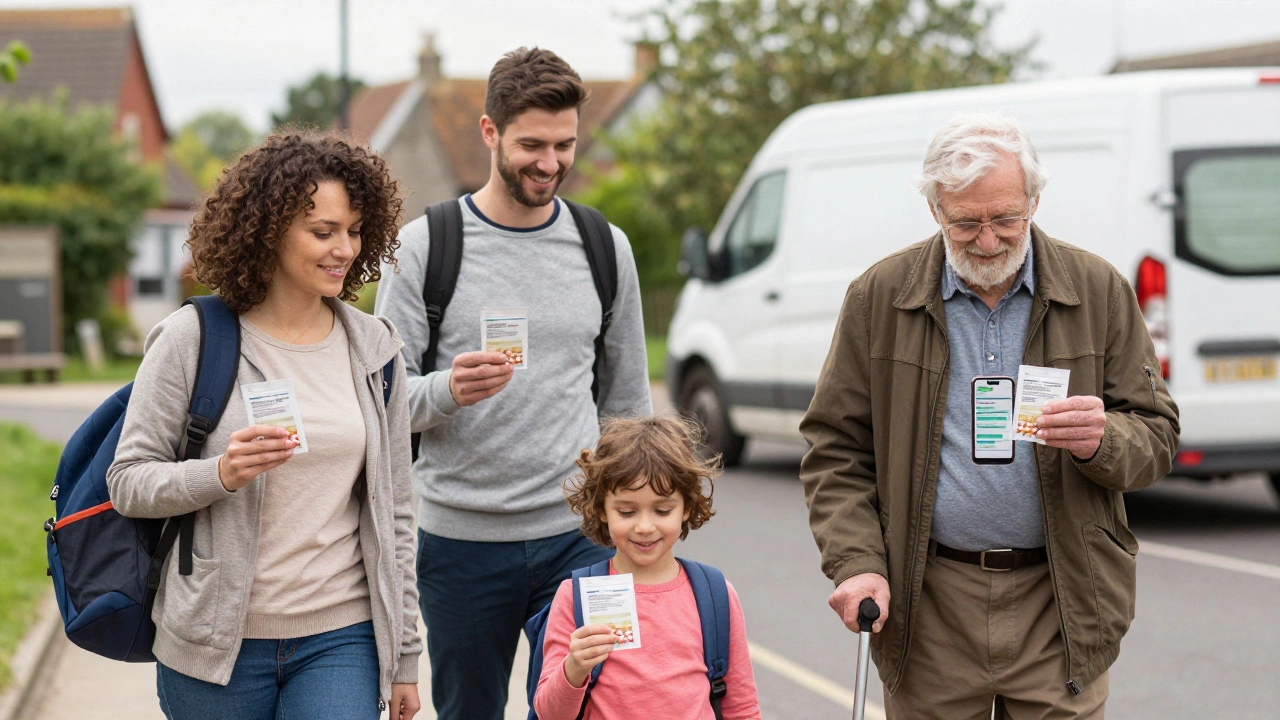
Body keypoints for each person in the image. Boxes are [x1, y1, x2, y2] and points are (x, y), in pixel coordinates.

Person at [799, 113, 1180, 719]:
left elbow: (1157, 434)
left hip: (1061, 599)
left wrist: (1104, 439)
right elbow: (835, 449)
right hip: (930, 604)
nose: (986, 241)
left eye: (1005, 219)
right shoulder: (880, 295)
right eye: (965, 223)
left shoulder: (1099, 289)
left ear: (1035, 201)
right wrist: (858, 563)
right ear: (934, 210)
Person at [374, 47, 651, 719]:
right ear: (490, 132)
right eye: (532, 145)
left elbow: (628, 403)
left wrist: (636, 516)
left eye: (564, 145)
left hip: (580, 538)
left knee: (587, 709)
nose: (550, 163)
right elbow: (378, 401)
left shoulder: (604, 246)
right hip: (461, 546)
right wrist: (446, 390)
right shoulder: (424, 248)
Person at [107, 132, 422, 720]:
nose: (344, 249)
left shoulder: (376, 348)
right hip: (214, 641)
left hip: (342, 635)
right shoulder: (191, 339)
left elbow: (397, 511)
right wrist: (221, 474)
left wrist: (405, 653)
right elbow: (128, 482)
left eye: (355, 231)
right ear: (269, 230)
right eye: (323, 232)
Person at [533, 415, 761, 719]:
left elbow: (742, 708)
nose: (644, 526)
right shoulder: (575, 597)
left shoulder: (715, 595)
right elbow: (549, 713)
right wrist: (573, 668)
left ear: (686, 507)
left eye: (662, 510)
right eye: (627, 512)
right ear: (602, 509)